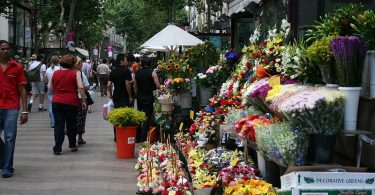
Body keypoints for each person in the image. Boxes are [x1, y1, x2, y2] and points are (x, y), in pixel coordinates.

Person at [0, 40, 28, 178]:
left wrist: (24, 110)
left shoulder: (17, 67)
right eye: (3, 49)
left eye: (7, 49)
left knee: (10, 137)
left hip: (11, 107)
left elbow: (22, 89)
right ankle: (3, 159)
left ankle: (7, 166)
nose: (6, 51)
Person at [49, 55, 87, 155]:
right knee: (71, 124)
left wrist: (57, 93)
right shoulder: (76, 73)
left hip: (57, 101)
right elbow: (81, 87)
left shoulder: (56, 73)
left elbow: (50, 87)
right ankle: (72, 144)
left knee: (59, 125)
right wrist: (83, 100)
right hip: (71, 102)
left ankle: (57, 148)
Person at [107, 53, 134, 142]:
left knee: (117, 116)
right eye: (126, 60)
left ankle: (116, 136)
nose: (127, 61)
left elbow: (109, 85)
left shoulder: (113, 71)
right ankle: (124, 135)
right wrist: (130, 96)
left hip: (116, 96)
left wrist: (110, 95)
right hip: (125, 96)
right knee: (125, 115)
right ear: (121, 61)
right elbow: (127, 84)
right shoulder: (126, 70)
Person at [135, 57, 160, 143]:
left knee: (139, 116)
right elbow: (157, 85)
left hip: (139, 97)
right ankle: (143, 138)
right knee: (146, 116)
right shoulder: (152, 72)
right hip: (148, 97)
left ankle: (137, 137)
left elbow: (135, 86)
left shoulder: (137, 72)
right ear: (150, 64)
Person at [75, 57, 89, 145]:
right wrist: (84, 100)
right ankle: (79, 137)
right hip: (80, 98)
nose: (82, 64)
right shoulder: (80, 74)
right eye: (80, 63)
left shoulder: (68, 72)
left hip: (70, 98)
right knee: (81, 118)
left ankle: (72, 137)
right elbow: (86, 86)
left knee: (72, 118)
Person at [44, 55, 61, 128]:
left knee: (51, 105)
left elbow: (45, 79)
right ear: (58, 61)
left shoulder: (48, 69)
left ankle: (53, 122)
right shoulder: (59, 69)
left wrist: (47, 84)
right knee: (59, 105)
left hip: (50, 88)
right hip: (58, 89)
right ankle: (58, 120)